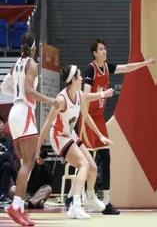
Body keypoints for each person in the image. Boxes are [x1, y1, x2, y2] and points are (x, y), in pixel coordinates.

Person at [80, 38, 155, 215]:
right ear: (94, 53)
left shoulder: (107, 68)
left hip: (99, 118)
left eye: (105, 48)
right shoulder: (90, 69)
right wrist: (103, 94)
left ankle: (106, 202)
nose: (104, 51)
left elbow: (126, 67)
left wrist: (145, 63)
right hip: (86, 118)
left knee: (106, 158)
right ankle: (78, 198)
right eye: (101, 49)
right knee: (85, 161)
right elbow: (85, 96)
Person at [38, 65, 113, 219]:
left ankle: (90, 197)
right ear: (72, 79)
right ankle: (75, 205)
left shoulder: (79, 94)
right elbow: (46, 124)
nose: (82, 78)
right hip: (59, 137)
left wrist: (100, 136)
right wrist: (38, 149)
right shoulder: (61, 99)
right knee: (83, 165)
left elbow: (86, 112)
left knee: (92, 168)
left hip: (70, 134)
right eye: (79, 75)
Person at [2, 32, 58, 226]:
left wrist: (17, 95)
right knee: (29, 162)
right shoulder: (32, 64)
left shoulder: (16, 64)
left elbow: (4, 88)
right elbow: (29, 90)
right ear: (33, 47)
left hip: (14, 112)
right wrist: (50, 100)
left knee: (23, 163)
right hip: (24, 112)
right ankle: (15, 206)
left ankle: (20, 208)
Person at [0, 116, 16, 204]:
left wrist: (3, 155)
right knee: (8, 157)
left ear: (3, 125)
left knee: (7, 164)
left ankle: (2, 195)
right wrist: (5, 155)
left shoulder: (8, 140)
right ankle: (17, 178)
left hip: (4, 170)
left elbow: (12, 156)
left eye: (0, 123)